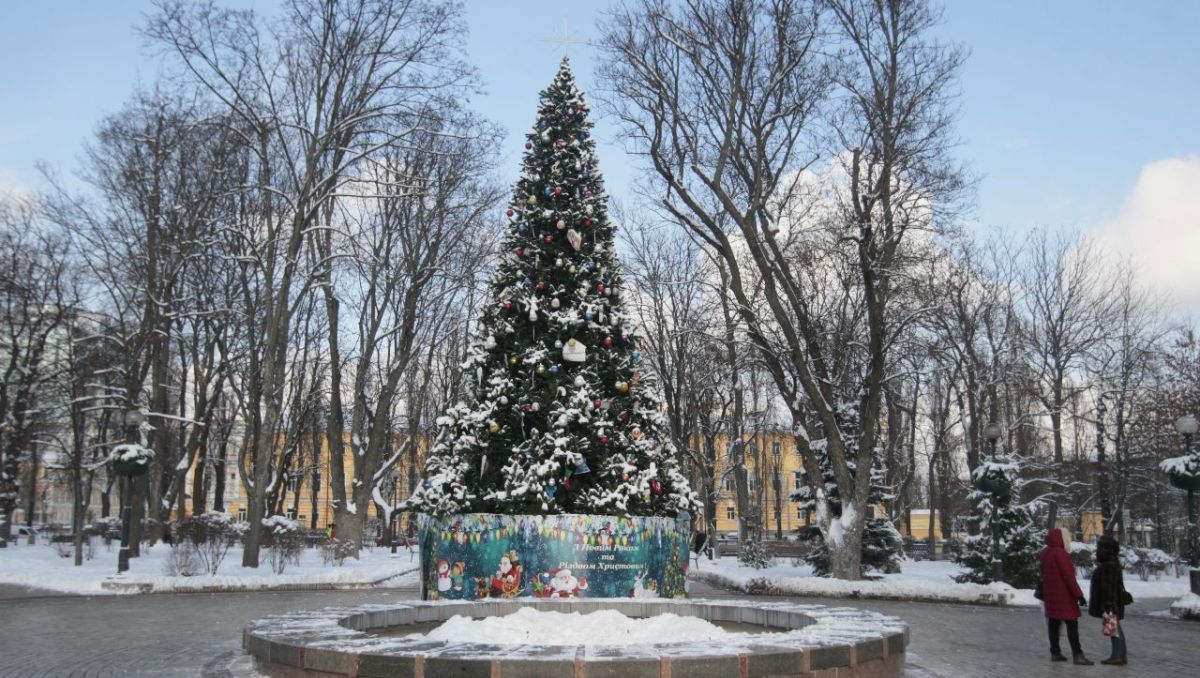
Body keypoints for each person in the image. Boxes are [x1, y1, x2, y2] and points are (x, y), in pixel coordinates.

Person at [1040, 527, 1093, 665]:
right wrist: (1079, 595)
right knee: (1072, 624)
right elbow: (1069, 577)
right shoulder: (1060, 554)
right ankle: (1078, 654)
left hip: (1051, 595)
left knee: (1054, 623)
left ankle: (1055, 652)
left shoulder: (1045, 553)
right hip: (1064, 595)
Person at [1089, 534, 1129, 665]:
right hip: (1113, 601)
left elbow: (1108, 586)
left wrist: (1108, 604)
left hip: (1110, 602)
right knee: (1115, 627)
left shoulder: (1108, 565)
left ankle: (1117, 654)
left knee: (1113, 628)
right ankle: (1120, 654)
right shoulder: (1113, 563)